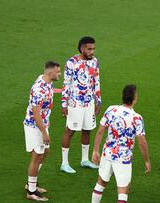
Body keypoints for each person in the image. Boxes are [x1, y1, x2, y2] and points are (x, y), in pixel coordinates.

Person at [91, 85, 151, 203]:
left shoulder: (111, 110)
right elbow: (142, 142)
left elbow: (100, 132)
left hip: (107, 153)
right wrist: (147, 160)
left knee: (101, 182)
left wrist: (95, 150)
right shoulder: (136, 118)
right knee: (123, 191)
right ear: (135, 98)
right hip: (123, 157)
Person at [60, 36, 101, 173]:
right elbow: (66, 83)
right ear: (82, 48)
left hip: (89, 103)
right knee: (70, 130)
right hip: (75, 103)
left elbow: (96, 81)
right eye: (89, 49)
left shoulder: (95, 61)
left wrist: (98, 100)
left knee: (87, 129)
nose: (92, 52)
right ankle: (64, 163)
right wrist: (64, 103)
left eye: (93, 49)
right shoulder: (72, 62)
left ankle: (85, 160)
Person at [23, 61, 61, 201]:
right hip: (35, 126)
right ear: (50, 73)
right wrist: (44, 132)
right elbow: (36, 112)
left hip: (43, 125)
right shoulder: (39, 88)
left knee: (45, 152)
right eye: (58, 72)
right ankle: (31, 191)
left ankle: (30, 182)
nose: (59, 74)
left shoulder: (45, 81)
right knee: (37, 156)